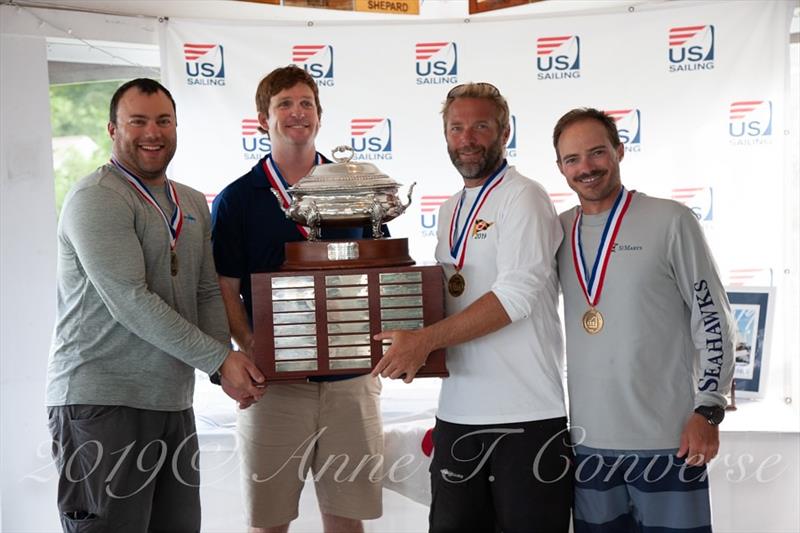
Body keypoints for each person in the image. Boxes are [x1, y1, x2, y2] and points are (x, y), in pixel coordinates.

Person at [45, 78, 266, 533]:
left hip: (170, 401)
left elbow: (206, 291)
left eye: (163, 120)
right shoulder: (96, 198)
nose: (153, 132)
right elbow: (130, 300)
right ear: (112, 129)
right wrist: (221, 359)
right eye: (138, 121)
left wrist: (221, 369)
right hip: (102, 402)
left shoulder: (190, 202)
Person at [372, 82, 572, 532]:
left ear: (504, 131)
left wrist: (422, 341)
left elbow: (516, 295)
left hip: (527, 415)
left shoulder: (525, 196)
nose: (467, 138)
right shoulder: (448, 210)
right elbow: (447, 295)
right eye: (456, 127)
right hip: (458, 412)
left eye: (480, 126)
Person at [211, 65, 383, 533]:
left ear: (319, 117)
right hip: (275, 385)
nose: (296, 113)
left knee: (346, 520)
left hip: (351, 379)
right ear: (262, 119)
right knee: (269, 523)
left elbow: (378, 273)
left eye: (306, 103)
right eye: (284, 104)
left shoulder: (357, 189)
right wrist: (251, 350)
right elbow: (226, 288)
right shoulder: (236, 200)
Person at [552, 107, 736, 533]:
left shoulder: (670, 219)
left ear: (619, 151)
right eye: (572, 159)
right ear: (560, 168)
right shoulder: (556, 231)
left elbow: (713, 317)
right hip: (588, 447)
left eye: (597, 153)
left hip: (668, 442)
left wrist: (709, 409)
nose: (586, 168)